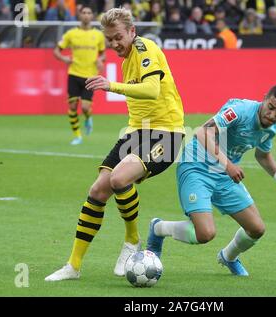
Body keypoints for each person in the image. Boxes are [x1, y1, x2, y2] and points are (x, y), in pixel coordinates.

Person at [45, 7, 185, 281]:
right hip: (137, 133)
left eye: (118, 37)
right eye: (109, 39)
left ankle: (132, 241)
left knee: (120, 178)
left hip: (167, 135)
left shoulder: (145, 48)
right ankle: (73, 266)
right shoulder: (126, 58)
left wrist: (112, 86)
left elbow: (153, 90)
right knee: (98, 190)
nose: (114, 44)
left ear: (132, 32)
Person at [146, 84, 276, 276]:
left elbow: (263, 156)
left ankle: (228, 257)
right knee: (205, 234)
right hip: (197, 166)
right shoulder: (240, 110)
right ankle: (158, 228)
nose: (272, 115)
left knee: (256, 229)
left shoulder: (270, 129)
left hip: (223, 175)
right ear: (264, 98)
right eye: (270, 107)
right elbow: (202, 132)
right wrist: (228, 165)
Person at [53, 5, 106, 145]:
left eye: (89, 13)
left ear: (92, 16)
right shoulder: (71, 34)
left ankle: (88, 117)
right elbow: (57, 50)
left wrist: (100, 60)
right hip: (74, 74)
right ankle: (77, 135)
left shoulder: (98, 35)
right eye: (84, 13)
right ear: (79, 15)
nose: (86, 15)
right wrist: (64, 59)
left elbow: (103, 54)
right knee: (72, 107)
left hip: (90, 76)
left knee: (85, 108)